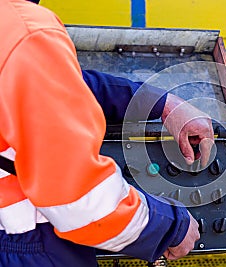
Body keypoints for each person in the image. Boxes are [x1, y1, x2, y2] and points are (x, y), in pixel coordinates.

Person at [0, 0, 214, 266]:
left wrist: (163, 104)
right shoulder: (23, 30)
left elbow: (63, 84)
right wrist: (171, 226)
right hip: (25, 245)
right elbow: (79, 199)